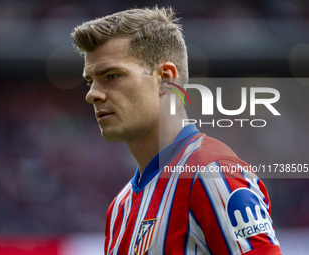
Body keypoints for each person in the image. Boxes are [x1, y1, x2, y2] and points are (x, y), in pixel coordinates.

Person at [71, 6, 282, 255]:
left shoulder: (212, 173)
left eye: (112, 76)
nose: (92, 94)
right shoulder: (120, 207)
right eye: (90, 80)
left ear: (165, 78)